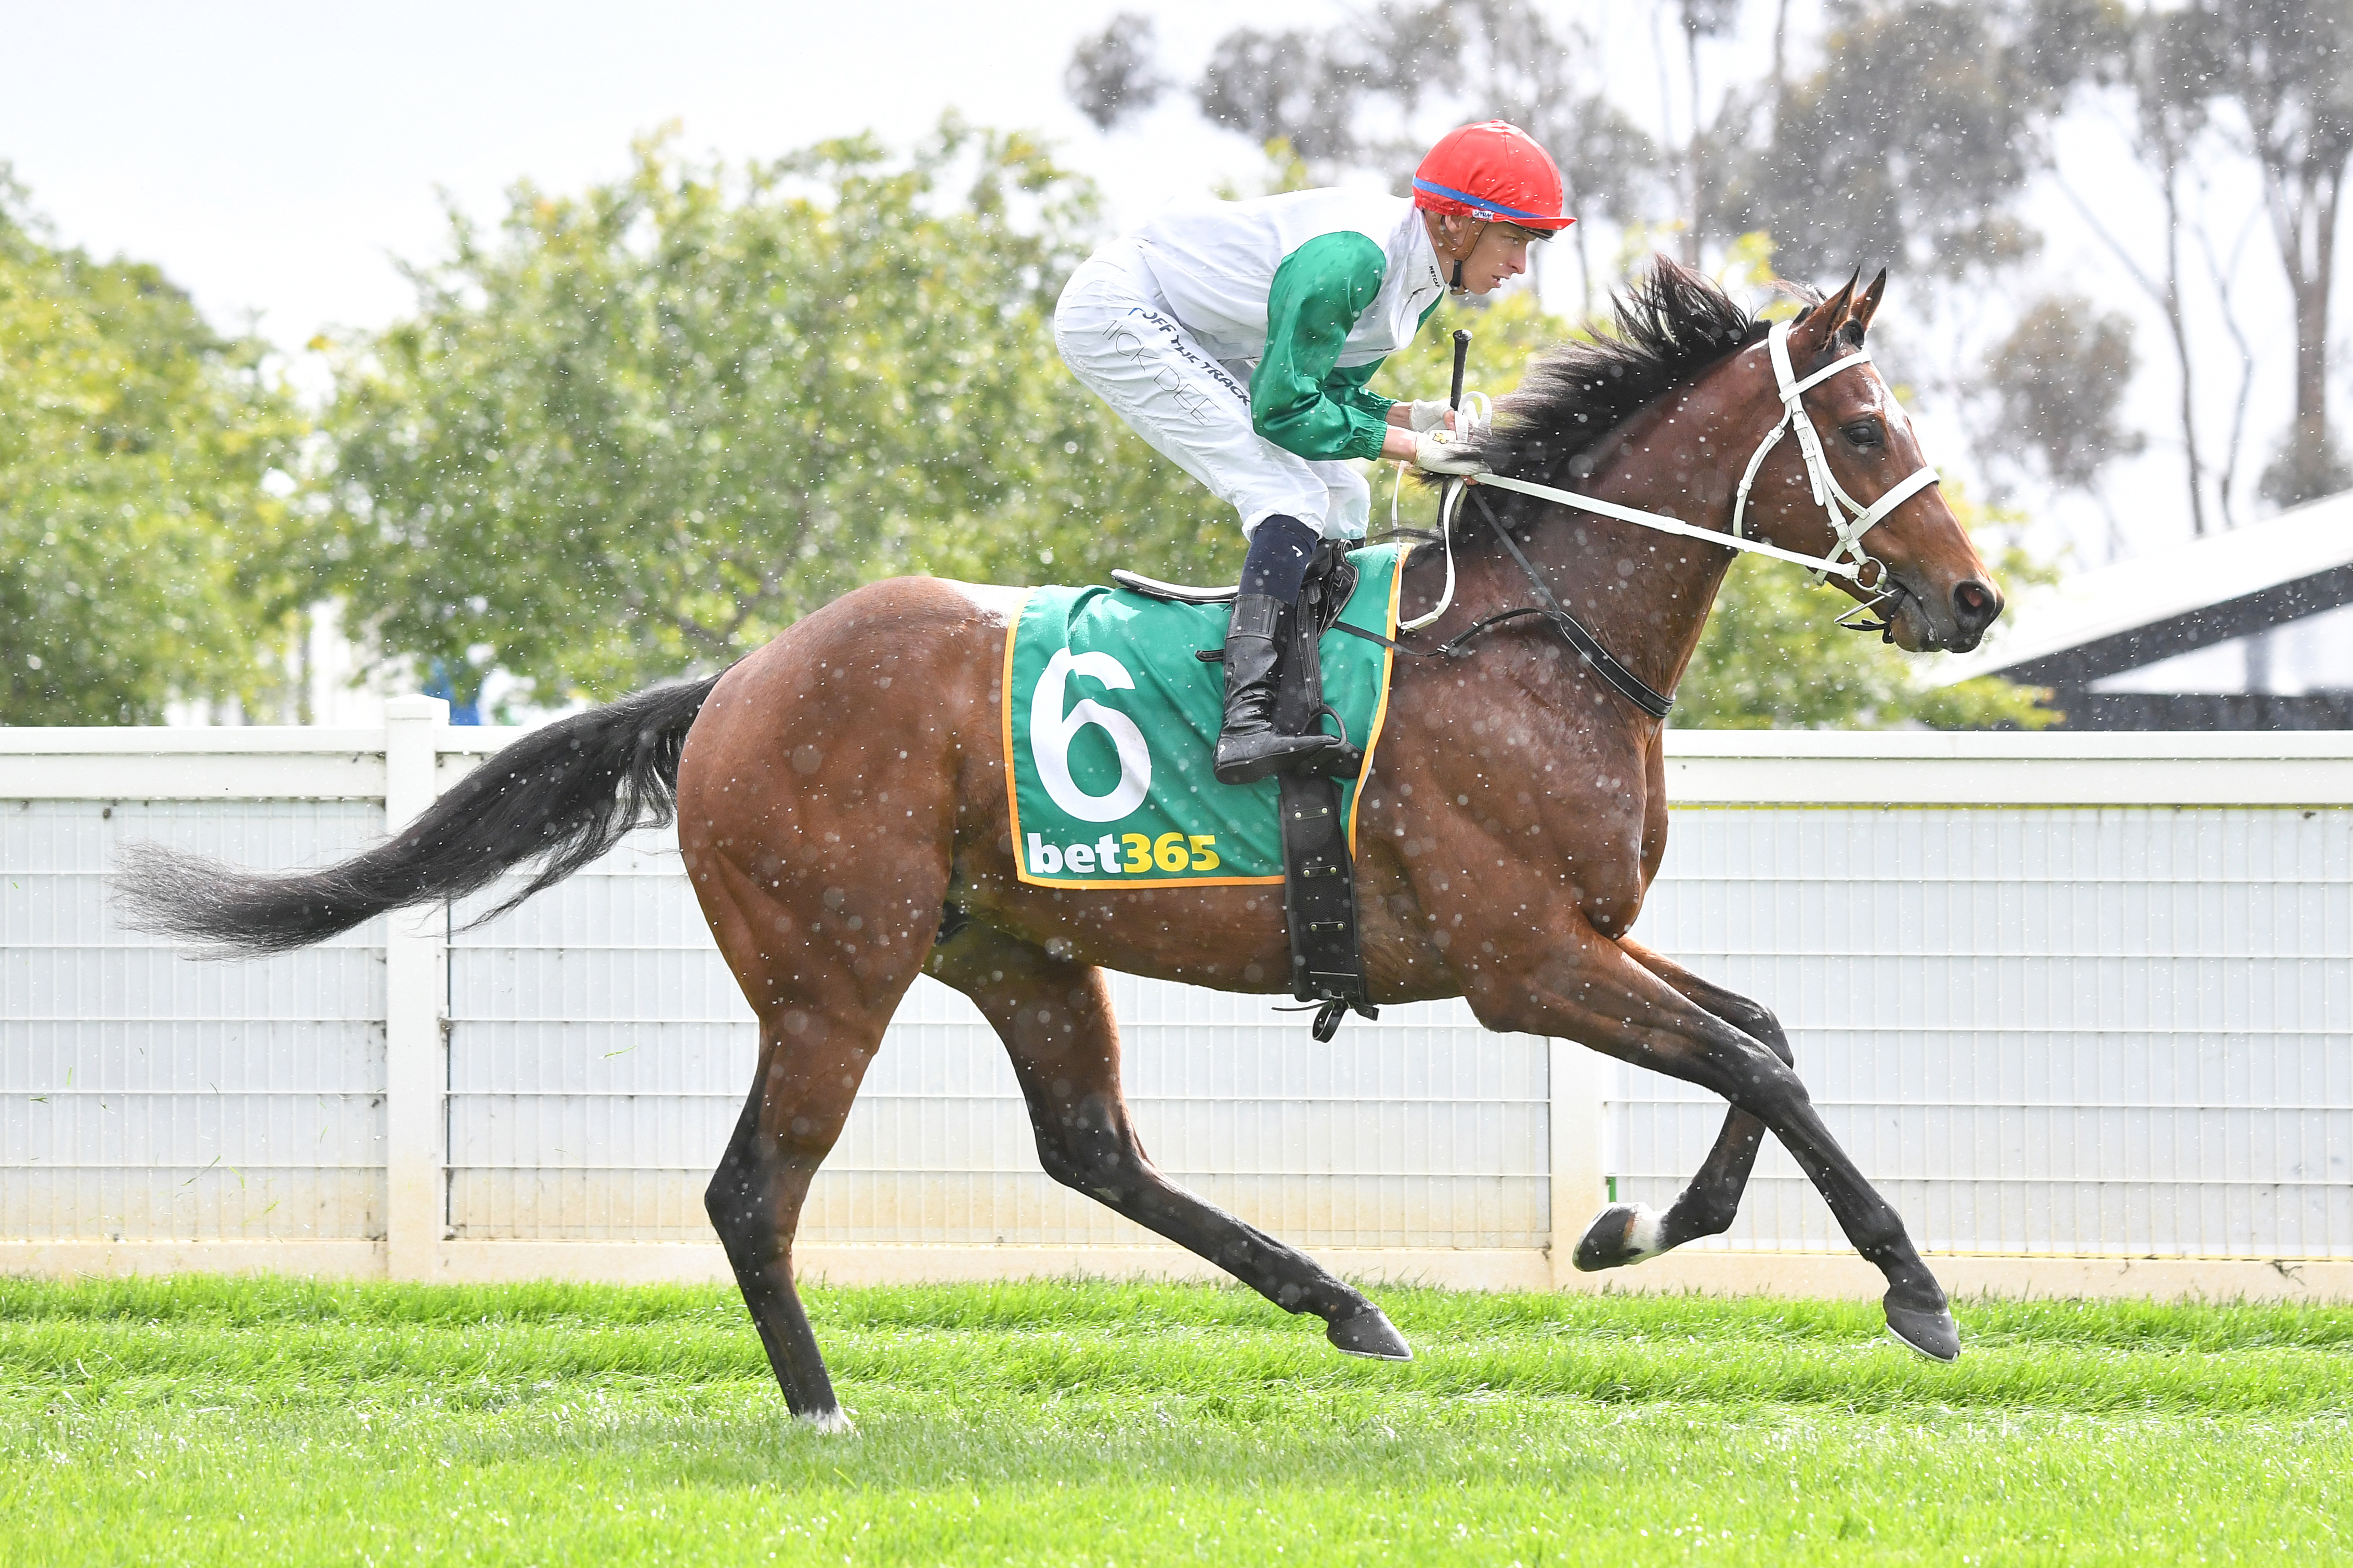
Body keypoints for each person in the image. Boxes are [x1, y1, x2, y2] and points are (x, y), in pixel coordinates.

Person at [1055, 120, 1573, 784]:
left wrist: (1410, 419)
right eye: (1513, 239)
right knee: (1287, 493)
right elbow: (1285, 413)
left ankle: (1307, 688)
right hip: (1121, 309)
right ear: (1455, 222)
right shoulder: (1352, 259)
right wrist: (1414, 447)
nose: (1519, 266)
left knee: (1341, 492)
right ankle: (1245, 722)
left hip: (1204, 333)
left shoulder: (1420, 283)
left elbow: (1323, 394)